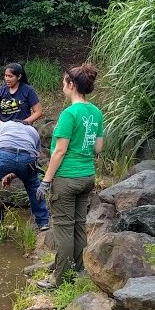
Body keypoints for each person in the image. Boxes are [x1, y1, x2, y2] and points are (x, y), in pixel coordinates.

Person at [37, 63, 103, 289]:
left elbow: (59, 151)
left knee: (63, 227)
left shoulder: (69, 114)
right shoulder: (95, 112)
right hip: (87, 176)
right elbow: (98, 148)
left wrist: (46, 181)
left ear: (72, 85)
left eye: (64, 82)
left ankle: (60, 279)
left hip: (66, 178)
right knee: (79, 226)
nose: (61, 86)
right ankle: (77, 272)